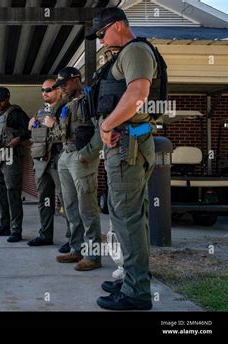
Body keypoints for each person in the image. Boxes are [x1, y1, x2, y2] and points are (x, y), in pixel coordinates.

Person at [87, 7, 160, 310]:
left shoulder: (135, 50)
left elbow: (138, 94)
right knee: (131, 217)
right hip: (126, 143)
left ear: (118, 25)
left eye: (102, 33)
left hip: (127, 144)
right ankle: (134, 278)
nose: (101, 41)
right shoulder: (125, 54)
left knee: (126, 217)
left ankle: (136, 292)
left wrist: (106, 125)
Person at [47, 67, 102, 271]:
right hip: (65, 155)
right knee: (70, 206)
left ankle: (94, 255)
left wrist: (88, 153)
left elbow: (101, 128)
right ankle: (77, 248)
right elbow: (62, 132)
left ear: (77, 79)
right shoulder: (67, 105)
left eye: (65, 83)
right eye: (60, 85)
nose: (62, 88)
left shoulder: (90, 98)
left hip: (82, 157)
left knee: (87, 208)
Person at [27, 79, 71, 248]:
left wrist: (55, 125)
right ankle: (45, 235)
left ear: (59, 90)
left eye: (49, 89)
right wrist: (31, 126)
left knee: (66, 200)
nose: (44, 93)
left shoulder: (67, 107)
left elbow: (72, 133)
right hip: (41, 161)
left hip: (59, 160)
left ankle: (72, 238)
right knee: (44, 200)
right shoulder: (40, 111)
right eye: (42, 90)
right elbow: (37, 135)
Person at [0, 87, 30, 243]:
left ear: (7, 98)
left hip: (12, 158)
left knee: (12, 193)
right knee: (1, 194)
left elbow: (29, 130)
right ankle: (4, 226)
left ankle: (16, 230)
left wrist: (18, 140)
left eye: (1, 101)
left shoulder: (16, 112)